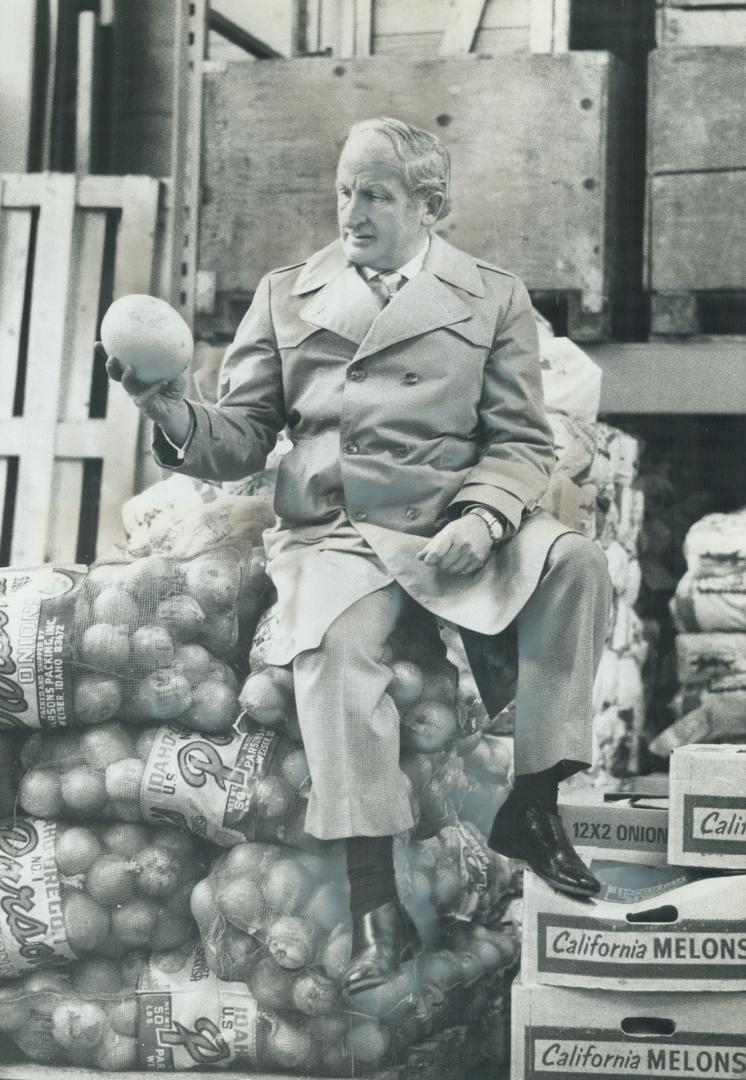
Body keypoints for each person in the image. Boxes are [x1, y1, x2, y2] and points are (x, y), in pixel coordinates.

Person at [105, 117, 612, 996]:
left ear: (432, 205)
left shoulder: (494, 297)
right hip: (336, 530)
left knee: (575, 563)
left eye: (375, 194)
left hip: (454, 517)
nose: (353, 211)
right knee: (334, 660)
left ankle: (534, 802)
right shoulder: (287, 294)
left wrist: (486, 519)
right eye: (345, 191)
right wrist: (170, 410)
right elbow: (243, 439)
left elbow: (525, 443)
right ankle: (378, 907)